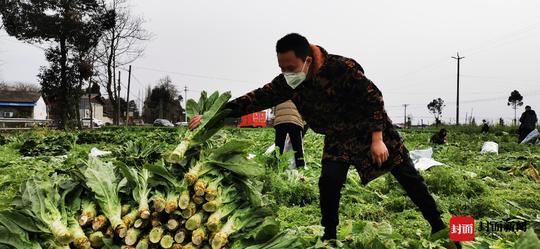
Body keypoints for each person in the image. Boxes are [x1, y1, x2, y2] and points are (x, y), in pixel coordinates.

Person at [189, 33, 449, 243]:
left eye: (290, 67)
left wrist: (377, 138)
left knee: (409, 177)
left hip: (370, 129)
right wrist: (214, 116)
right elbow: (255, 99)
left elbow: (374, 97)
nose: (286, 72)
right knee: (329, 183)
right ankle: (330, 236)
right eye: (282, 67)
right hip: (337, 136)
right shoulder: (289, 82)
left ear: (307, 61)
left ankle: (442, 228)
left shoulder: (342, 68)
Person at [273, 100, 305, 168]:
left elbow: (274, 109)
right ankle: (300, 167)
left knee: (278, 147)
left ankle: (276, 166)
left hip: (280, 121)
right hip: (295, 121)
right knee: (297, 147)